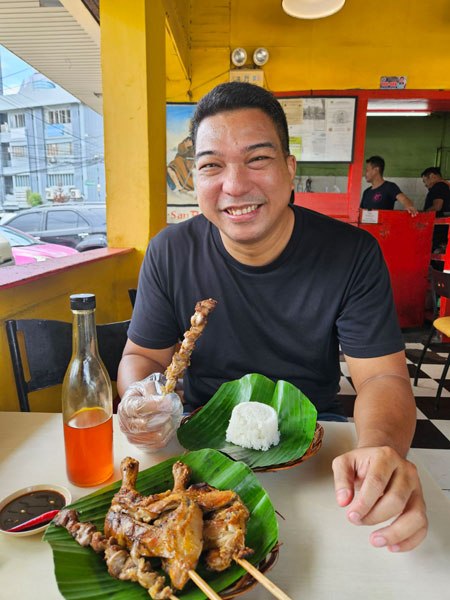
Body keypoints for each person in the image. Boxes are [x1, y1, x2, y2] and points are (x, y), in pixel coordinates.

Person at [117, 81, 427, 553]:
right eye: (210, 166)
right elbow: (141, 356)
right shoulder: (169, 251)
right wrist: (140, 399)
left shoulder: (352, 253)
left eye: (257, 159)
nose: (234, 185)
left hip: (314, 446)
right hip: (198, 443)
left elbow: (382, 376)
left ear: (289, 168)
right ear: (195, 181)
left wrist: (379, 448)